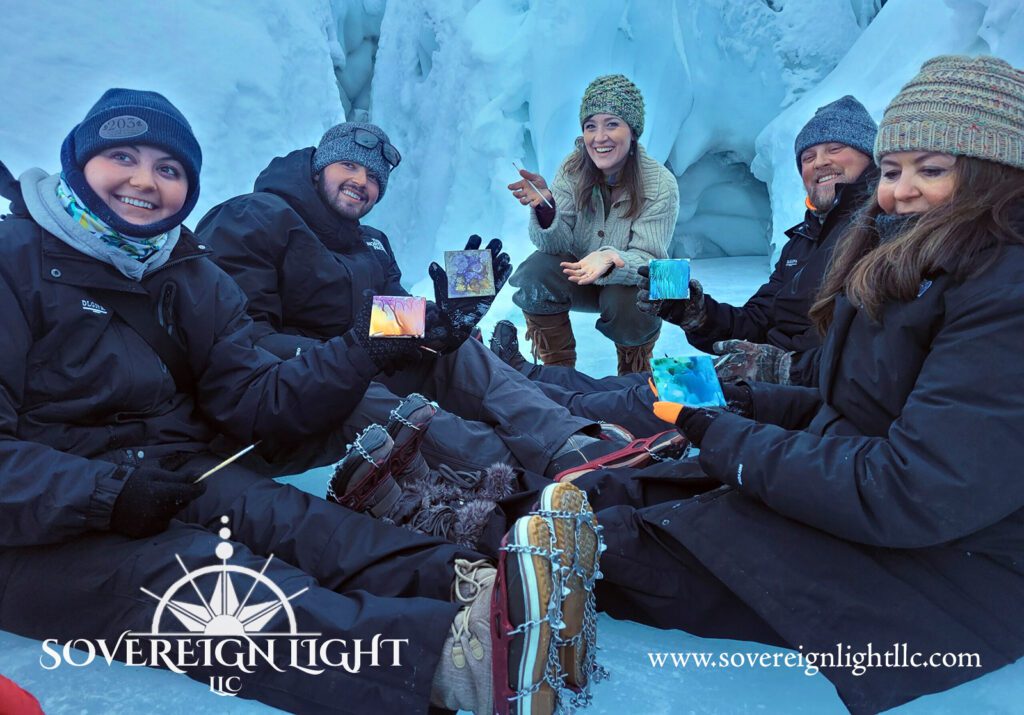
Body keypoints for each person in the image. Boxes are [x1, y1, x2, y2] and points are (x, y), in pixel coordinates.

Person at [0, 88, 603, 714]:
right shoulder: (250, 219)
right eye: (122, 157)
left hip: (176, 466)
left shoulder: (211, 268)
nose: (145, 182)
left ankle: (485, 578)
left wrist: (428, 323)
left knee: (315, 529)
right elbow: (260, 339)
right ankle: (455, 661)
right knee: (213, 585)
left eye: (168, 169)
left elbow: (258, 390)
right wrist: (102, 493)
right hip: (41, 514)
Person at [589, 54, 1024, 713]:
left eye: (930, 169)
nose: (902, 188)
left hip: (944, 559)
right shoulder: (838, 243)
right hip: (820, 434)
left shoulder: (922, 256)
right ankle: (530, 423)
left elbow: (911, 476)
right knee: (649, 398)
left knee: (651, 452)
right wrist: (693, 313)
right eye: (808, 154)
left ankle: (526, 449)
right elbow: (772, 331)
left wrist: (733, 419)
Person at [197, 121, 682, 480]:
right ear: (319, 166)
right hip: (299, 394)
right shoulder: (253, 217)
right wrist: (353, 353)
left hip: (362, 364)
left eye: (372, 178)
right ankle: (514, 476)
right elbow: (244, 343)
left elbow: (395, 320)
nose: (361, 182)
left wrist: (444, 319)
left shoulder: (370, 242)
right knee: (378, 398)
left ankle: (565, 444)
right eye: (349, 166)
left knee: (464, 353)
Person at [487, 95, 880, 438]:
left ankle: (519, 399)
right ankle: (528, 376)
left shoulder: (881, 236)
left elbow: (875, 364)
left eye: (834, 150)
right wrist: (698, 314)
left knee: (634, 401)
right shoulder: (806, 239)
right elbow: (760, 319)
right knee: (636, 385)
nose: (819, 163)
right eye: (808, 156)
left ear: (872, 155)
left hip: (795, 396)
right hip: (756, 374)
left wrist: (785, 369)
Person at [507, 74, 679, 375]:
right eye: (591, 126)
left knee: (631, 299)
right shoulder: (572, 168)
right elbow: (555, 246)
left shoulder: (661, 182)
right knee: (534, 273)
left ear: (633, 131)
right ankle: (558, 371)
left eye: (612, 124)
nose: (600, 137)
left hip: (636, 282)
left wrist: (612, 259)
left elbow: (655, 263)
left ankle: (635, 373)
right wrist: (546, 208)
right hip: (582, 274)